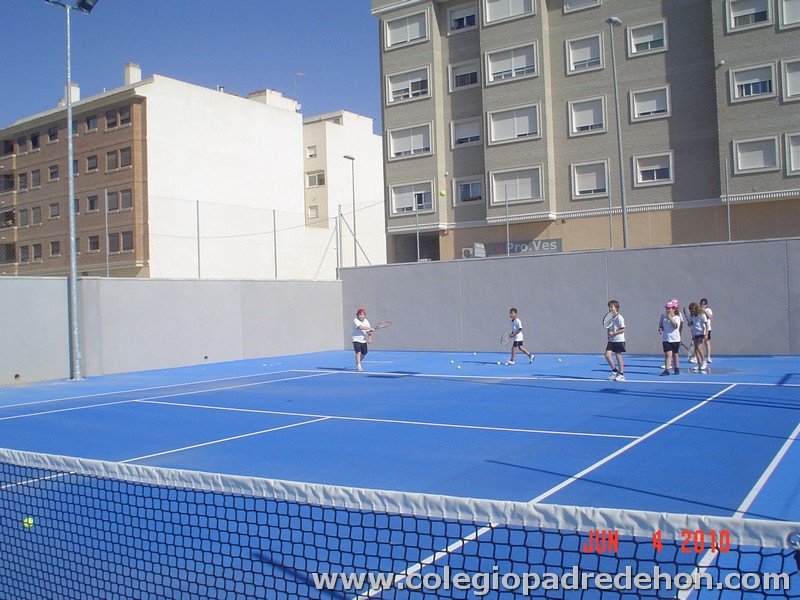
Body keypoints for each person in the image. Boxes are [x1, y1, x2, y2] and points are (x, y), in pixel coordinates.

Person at [603, 300, 626, 381]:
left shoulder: (620, 318)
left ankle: (621, 374)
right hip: (611, 340)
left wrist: (614, 333)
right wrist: (608, 335)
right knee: (607, 355)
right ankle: (614, 371)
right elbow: (609, 328)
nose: (610, 308)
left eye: (611, 307)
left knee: (618, 356)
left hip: (619, 340)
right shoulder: (611, 318)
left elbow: (623, 329)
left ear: (616, 308)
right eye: (609, 307)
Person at [658, 300, 682, 376]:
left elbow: (675, 326)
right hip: (666, 338)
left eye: (669, 308)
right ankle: (667, 370)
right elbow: (661, 324)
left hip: (675, 339)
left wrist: (670, 318)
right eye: (667, 308)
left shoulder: (677, 317)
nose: (668, 310)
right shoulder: (663, 316)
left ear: (673, 309)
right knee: (668, 354)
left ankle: (676, 368)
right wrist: (660, 328)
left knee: (675, 354)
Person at [688, 302, 709, 371]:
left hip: (701, 333)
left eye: (693, 310)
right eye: (691, 310)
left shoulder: (702, 315)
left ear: (696, 309)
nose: (692, 311)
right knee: (696, 349)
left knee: (699, 347)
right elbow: (692, 323)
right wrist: (690, 324)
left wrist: (706, 334)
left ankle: (704, 361)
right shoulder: (692, 316)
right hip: (695, 334)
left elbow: (706, 325)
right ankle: (699, 364)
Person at [351, 307, 373, 373]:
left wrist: (369, 338)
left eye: (363, 314)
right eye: (360, 314)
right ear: (357, 315)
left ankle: (358, 363)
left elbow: (369, 331)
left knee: (364, 352)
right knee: (358, 352)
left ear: (364, 315)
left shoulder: (366, 321)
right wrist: (370, 328)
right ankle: (359, 366)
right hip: (356, 339)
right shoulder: (355, 320)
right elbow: (360, 327)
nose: (361, 316)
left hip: (363, 340)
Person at [700, 298, 713, 363]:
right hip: (701, 329)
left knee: (707, 343)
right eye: (701, 304)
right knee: (700, 344)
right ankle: (699, 357)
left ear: (706, 305)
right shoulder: (699, 311)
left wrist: (704, 311)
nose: (702, 305)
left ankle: (708, 357)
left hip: (708, 329)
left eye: (704, 304)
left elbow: (710, 317)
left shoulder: (708, 310)